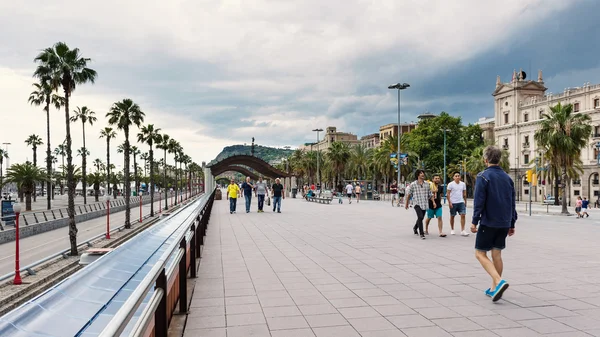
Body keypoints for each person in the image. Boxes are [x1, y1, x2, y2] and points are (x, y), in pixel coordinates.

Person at [470, 145, 517, 302]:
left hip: (489, 221)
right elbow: (512, 202)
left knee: (480, 253)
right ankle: (493, 289)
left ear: (485, 160)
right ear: (499, 159)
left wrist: (474, 221)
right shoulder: (507, 178)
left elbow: (479, 201)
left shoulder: (483, 176)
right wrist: (512, 223)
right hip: (504, 222)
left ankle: (498, 281)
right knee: (497, 254)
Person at [405, 169, 436, 240]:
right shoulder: (413, 184)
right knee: (420, 216)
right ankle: (422, 233)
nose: (423, 174)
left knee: (421, 218)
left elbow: (430, 194)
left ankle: (415, 227)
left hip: (424, 203)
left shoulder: (427, 184)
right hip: (417, 203)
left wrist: (433, 202)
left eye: (423, 173)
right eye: (421, 173)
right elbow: (409, 194)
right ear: (418, 175)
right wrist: (407, 203)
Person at [447, 172, 469, 236]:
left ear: (460, 177)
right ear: (453, 177)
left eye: (458, 176)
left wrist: (465, 201)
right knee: (452, 216)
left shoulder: (463, 184)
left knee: (463, 215)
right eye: (456, 176)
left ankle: (463, 230)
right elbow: (448, 194)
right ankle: (452, 229)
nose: (457, 177)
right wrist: (449, 202)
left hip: (461, 202)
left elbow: (464, 193)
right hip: (453, 202)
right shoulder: (450, 184)